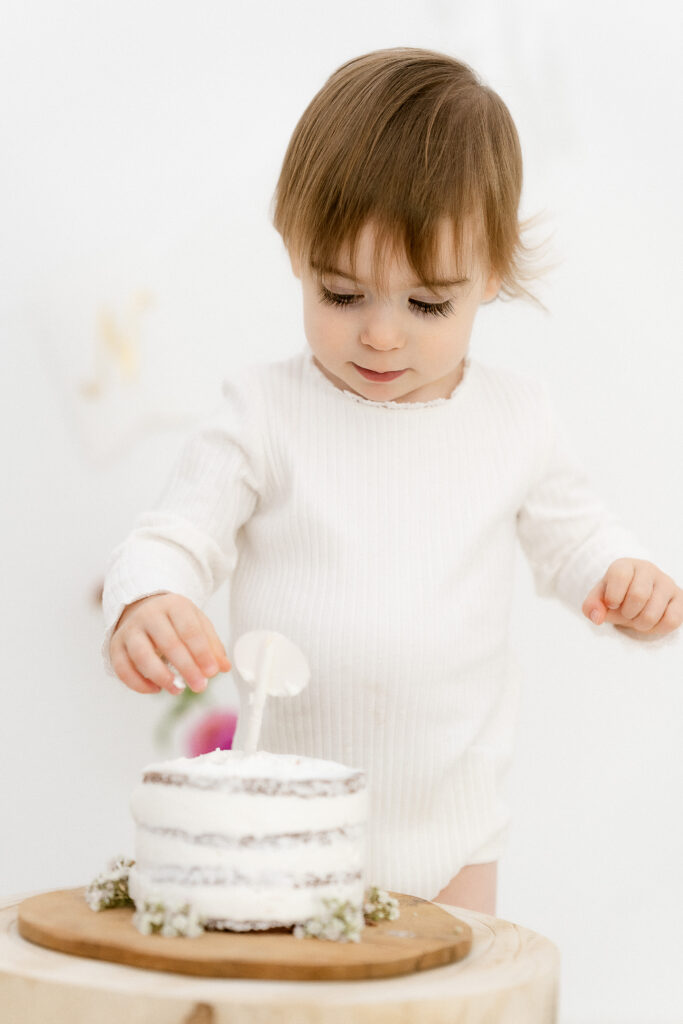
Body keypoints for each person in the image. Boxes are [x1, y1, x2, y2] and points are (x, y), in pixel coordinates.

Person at [103, 47, 682, 916]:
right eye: (342, 295)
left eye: (426, 305)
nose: (380, 336)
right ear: (295, 253)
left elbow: (578, 536)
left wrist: (623, 577)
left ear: (488, 277)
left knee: (454, 997)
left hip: (452, 832)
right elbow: (172, 537)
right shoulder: (264, 410)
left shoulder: (516, 418)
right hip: (283, 833)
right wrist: (146, 599)